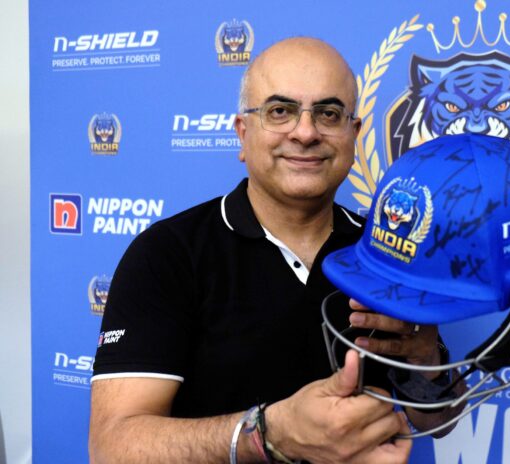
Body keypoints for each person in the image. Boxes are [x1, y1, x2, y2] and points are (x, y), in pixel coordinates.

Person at [89, 37, 449, 464]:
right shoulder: (167, 254)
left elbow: (438, 418)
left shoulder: (389, 250)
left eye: (329, 114)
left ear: (353, 136)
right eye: (280, 111)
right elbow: (112, 448)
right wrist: (269, 433)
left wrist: (428, 361)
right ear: (243, 133)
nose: (306, 132)